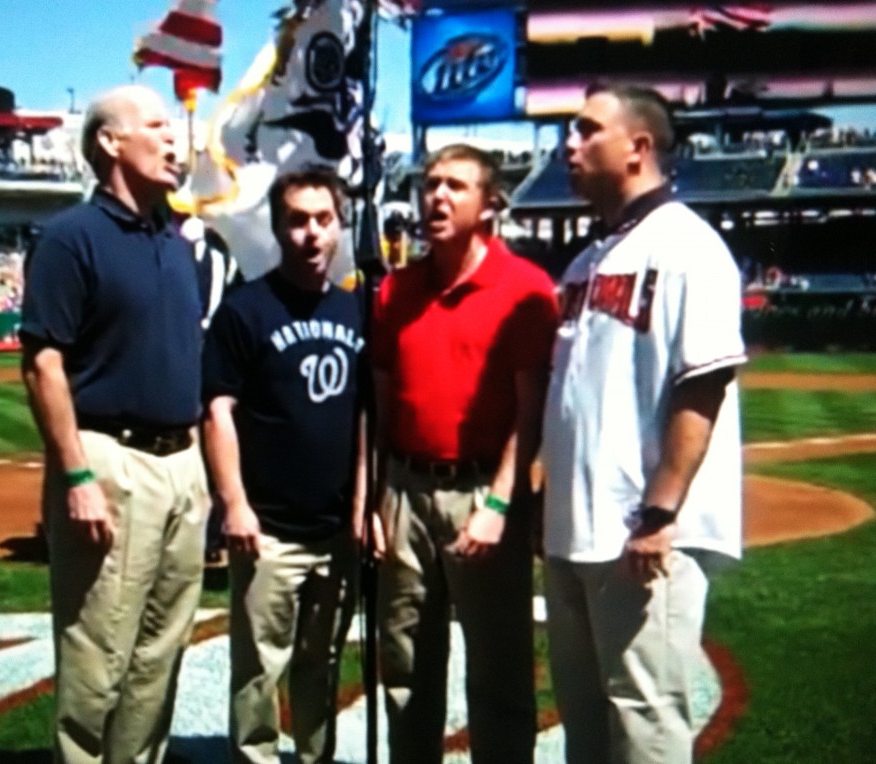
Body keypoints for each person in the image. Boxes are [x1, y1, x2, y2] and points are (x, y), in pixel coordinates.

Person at [541, 84, 746, 764]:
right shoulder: (583, 261)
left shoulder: (689, 246)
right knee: (587, 726)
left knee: (645, 723)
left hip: (642, 535)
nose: (568, 144)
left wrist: (660, 514)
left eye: (586, 129)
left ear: (638, 147)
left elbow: (705, 381)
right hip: (576, 530)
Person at [20, 84, 211, 764]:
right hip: (110, 460)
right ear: (110, 142)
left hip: (183, 465)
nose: (173, 138)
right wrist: (75, 473)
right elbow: (44, 362)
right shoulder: (73, 238)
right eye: (156, 125)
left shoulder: (181, 240)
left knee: (161, 654)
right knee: (98, 656)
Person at [371, 144, 559, 764]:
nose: (436, 197)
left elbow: (529, 413)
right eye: (430, 184)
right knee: (404, 669)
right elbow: (379, 403)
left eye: (454, 185)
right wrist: (374, 498)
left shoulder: (525, 289)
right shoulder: (395, 291)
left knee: (499, 671)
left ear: (490, 204)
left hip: (483, 493)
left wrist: (501, 502)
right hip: (403, 490)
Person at [202, 168, 364, 764]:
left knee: (320, 665)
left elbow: (368, 420)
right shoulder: (245, 310)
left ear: (339, 227)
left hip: (336, 531)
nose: (312, 234)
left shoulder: (355, 310)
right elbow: (217, 411)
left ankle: (316, 758)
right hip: (268, 529)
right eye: (298, 220)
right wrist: (234, 505)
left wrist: (360, 509)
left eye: (324, 220)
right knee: (258, 670)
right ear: (277, 227)